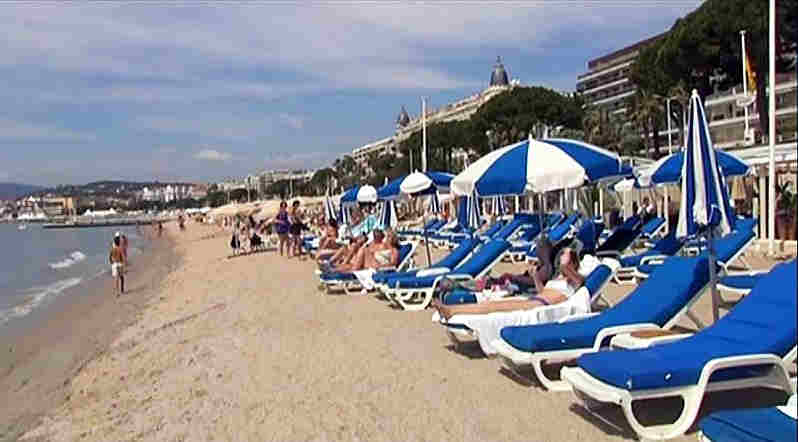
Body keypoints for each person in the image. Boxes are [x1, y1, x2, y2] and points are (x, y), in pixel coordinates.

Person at [432, 248, 585, 320]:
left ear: (572, 260)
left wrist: (566, 265)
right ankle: (452, 310)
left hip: (539, 305)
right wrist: (536, 277)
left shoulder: (575, 279)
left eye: (564, 254)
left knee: (493, 307)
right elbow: (541, 291)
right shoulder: (558, 278)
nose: (561, 256)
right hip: (534, 300)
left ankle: (451, 311)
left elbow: (574, 277)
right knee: (492, 304)